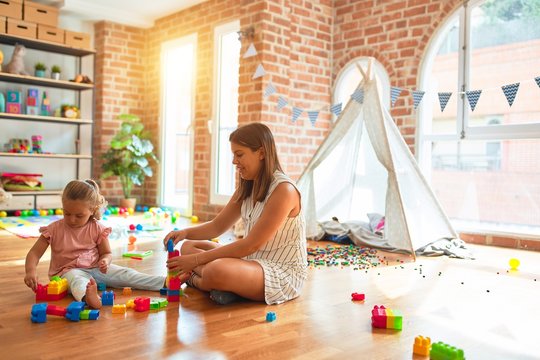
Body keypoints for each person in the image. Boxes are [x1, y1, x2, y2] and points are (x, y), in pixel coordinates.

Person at [163, 122, 307, 305]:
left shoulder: (284, 191)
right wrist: (184, 233)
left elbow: (250, 245)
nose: (234, 161)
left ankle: (195, 280)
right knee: (188, 247)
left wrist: (195, 262)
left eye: (239, 155)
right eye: (233, 155)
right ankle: (223, 287)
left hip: (281, 272)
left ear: (261, 153)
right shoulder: (247, 186)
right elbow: (217, 226)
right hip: (251, 262)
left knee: (217, 269)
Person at [24, 179, 165, 309]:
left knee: (127, 274)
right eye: (66, 213)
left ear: (92, 210)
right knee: (77, 281)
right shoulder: (54, 229)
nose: (72, 220)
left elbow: (107, 253)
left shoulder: (97, 228)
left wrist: (105, 260)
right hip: (67, 272)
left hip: (97, 268)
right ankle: (88, 297)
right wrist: (30, 271)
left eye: (79, 216)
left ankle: (163, 282)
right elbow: (34, 253)